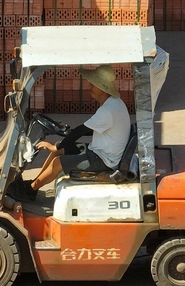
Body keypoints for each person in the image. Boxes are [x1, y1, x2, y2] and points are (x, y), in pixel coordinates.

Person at [9, 64, 131, 201]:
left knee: (58, 162)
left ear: (102, 89)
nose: (90, 86)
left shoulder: (107, 110)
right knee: (60, 147)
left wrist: (55, 147)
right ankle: (34, 184)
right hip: (102, 152)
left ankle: (30, 191)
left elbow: (81, 131)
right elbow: (93, 130)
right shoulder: (115, 103)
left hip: (104, 160)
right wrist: (65, 138)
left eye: (94, 84)